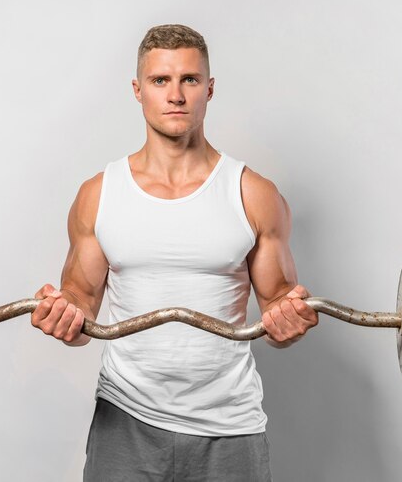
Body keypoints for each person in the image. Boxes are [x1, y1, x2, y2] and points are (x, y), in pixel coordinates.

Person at [30, 24, 319, 481]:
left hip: (230, 426)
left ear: (209, 89)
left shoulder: (253, 194)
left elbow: (279, 316)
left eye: (189, 80)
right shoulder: (99, 195)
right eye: (160, 80)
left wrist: (290, 323)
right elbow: (81, 309)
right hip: (126, 417)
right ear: (138, 90)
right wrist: (64, 319)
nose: (176, 95)